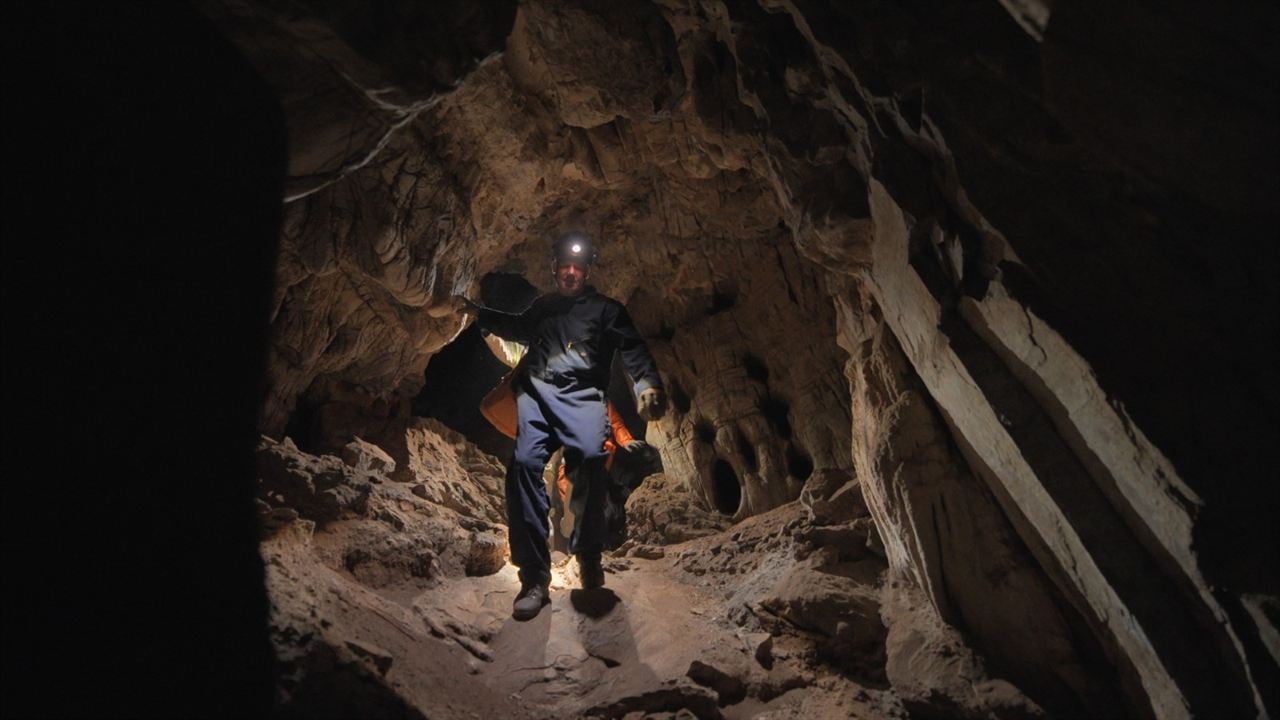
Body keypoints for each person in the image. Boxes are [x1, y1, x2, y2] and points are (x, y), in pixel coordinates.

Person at [453, 231, 667, 620]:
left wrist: (647, 383)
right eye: (564, 266)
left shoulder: (606, 309)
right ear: (554, 268)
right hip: (535, 398)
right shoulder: (544, 307)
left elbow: (633, 347)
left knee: (589, 460)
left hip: (584, 399)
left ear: (586, 270)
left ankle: (588, 556)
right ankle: (534, 578)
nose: (570, 273)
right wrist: (478, 312)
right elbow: (516, 327)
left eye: (577, 267)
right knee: (523, 469)